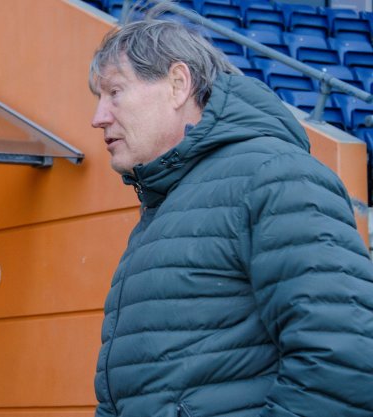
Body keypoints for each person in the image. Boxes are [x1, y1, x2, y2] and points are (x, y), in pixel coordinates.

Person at [89, 18, 373, 417]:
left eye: (114, 92)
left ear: (177, 84)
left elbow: (345, 359)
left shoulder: (274, 177)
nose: (98, 117)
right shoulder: (164, 206)